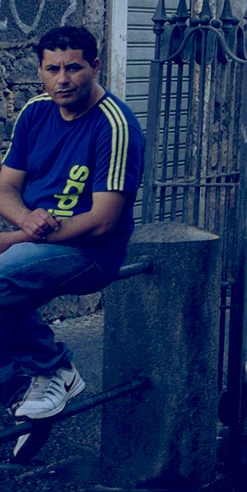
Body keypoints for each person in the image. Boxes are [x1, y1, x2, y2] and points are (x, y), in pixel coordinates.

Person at [0, 26, 146, 421]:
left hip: (88, 252)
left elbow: (102, 221)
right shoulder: (35, 111)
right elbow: (5, 189)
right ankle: (20, 387)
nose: (62, 80)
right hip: (32, 239)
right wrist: (26, 219)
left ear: (95, 66)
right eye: (52, 69)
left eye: (73, 68)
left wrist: (14, 236)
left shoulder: (115, 125)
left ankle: (51, 369)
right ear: (40, 70)